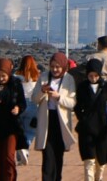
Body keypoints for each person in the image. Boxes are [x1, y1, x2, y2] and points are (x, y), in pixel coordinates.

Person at [74, 59, 107, 181]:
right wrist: (82, 118)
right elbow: (77, 106)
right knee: (89, 160)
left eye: (96, 75)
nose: (93, 78)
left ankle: (98, 178)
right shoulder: (82, 87)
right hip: (86, 129)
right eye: (90, 75)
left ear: (99, 74)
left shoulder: (106, 87)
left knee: (101, 161)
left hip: (102, 127)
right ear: (87, 74)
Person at [33, 52, 77, 181]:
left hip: (61, 121)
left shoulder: (69, 79)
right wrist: (42, 91)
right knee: (47, 156)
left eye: (58, 67)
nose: (55, 70)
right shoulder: (44, 77)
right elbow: (34, 99)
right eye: (52, 66)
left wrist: (59, 97)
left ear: (63, 67)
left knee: (58, 156)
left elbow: (72, 103)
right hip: (47, 120)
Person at [14, 55, 40, 166]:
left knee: (19, 131)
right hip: (32, 104)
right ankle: (24, 150)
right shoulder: (37, 76)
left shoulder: (17, 76)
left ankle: (20, 155)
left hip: (20, 105)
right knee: (30, 131)